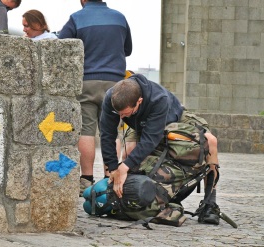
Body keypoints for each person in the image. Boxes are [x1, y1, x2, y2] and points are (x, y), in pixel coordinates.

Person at [99, 73, 221, 224]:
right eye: (119, 114)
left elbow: (151, 139)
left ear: (139, 101)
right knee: (130, 153)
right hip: (141, 122)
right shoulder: (111, 98)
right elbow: (107, 135)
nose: (121, 118)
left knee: (210, 141)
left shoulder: (158, 99)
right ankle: (152, 198)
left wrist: (124, 168)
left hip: (173, 118)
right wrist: (113, 169)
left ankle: (210, 203)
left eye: (125, 114)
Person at [58, 0, 132, 196]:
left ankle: (87, 179)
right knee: (111, 132)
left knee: (86, 131)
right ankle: (110, 176)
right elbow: (128, 50)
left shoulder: (76, 18)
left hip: (87, 81)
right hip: (115, 84)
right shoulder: (120, 17)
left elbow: (62, 46)